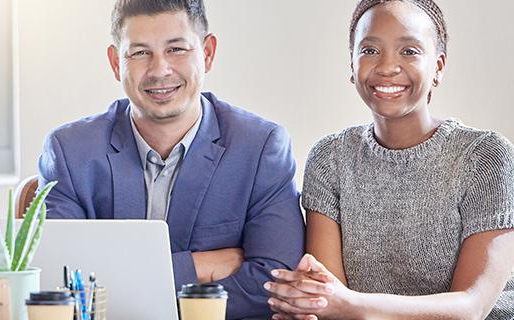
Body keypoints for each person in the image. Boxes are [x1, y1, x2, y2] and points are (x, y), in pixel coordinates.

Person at [36, 0, 305, 317]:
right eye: (140, 53)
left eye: (176, 49)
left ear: (207, 54)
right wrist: (198, 267)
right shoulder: (70, 152)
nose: (160, 69)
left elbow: (275, 285)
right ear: (114, 62)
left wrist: (126, 283)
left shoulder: (260, 148)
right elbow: (60, 283)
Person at [266, 1, 514, 319]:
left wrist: (350, 305)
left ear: (438, 66)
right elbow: (329, 300)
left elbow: (471, 307)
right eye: (369, 50)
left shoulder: (485, 156)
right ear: (352, 65)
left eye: (409, 51)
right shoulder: (330, 158)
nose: (386, 66)